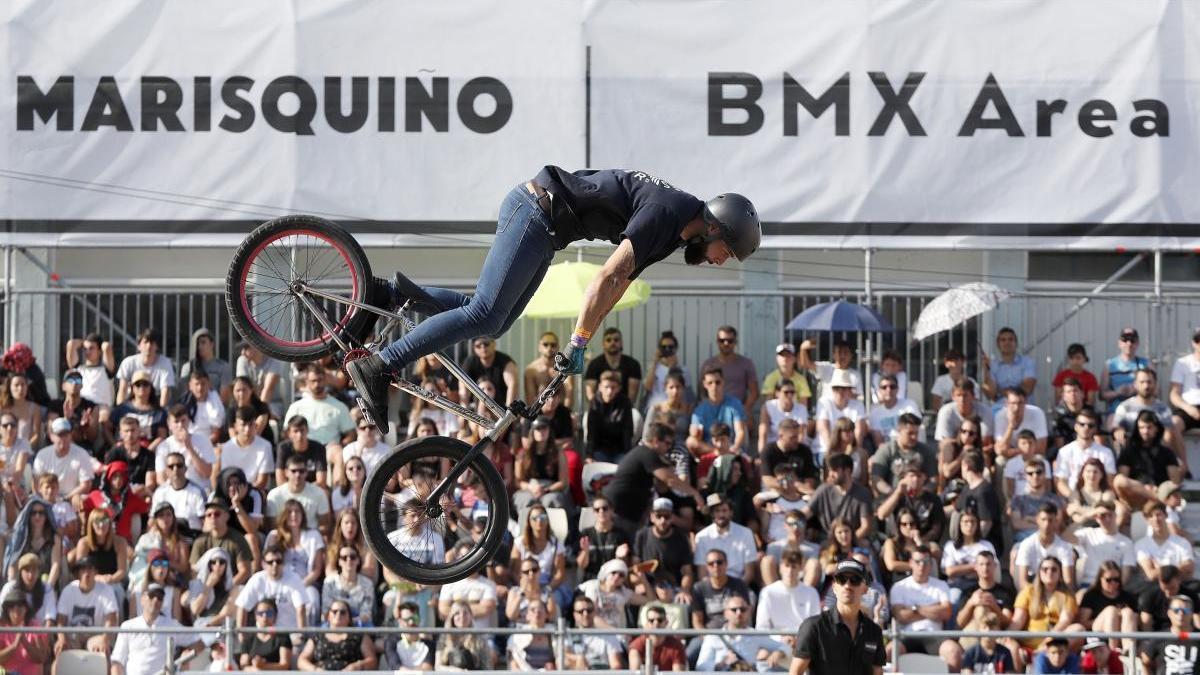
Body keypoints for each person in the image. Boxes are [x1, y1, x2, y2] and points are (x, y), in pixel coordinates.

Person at [350, 169, 761, 434]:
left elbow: (615, 288)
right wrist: (579, 341)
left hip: (547, 230)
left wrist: (582, 338)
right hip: (535, 211)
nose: (722, 260)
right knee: (483, 313)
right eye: (727, 250)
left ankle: (390, 294)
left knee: (493, 320)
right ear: (713, 228)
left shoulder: (675, 230)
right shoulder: (666, 214)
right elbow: (606, 277)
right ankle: (380, 365)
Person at [790, 558, 887, 675]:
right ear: (834, 587)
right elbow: (795, 672)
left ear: (865, 588)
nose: (847, 585)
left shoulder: (874, 631)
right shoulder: (814, 627)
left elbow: (877, 672)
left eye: (855, 580)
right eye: (842, 580)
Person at [603, 422, 704, 533]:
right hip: (618, 510)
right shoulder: (647, 453)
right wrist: (695, 493)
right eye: (667, 443)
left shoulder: (643, 453)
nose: (669, 448)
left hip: (624, 510)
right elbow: (670, 480)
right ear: (656, 441)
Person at [889, 545, 962, 669]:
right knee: (888, 652)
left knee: (954, 652)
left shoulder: (941, 585)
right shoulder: (899, 587)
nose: (921, 565)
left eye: (925, 562)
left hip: (934, 635)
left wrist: (914, 608)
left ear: (931, 564)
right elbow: (900, 616)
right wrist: (934, 609)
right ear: (911, 563)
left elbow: (946, 613)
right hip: (907, 635)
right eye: (917, 562)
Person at [110, 582, 199, 675]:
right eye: (152, 595)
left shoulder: (171, 625)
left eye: (160, 598)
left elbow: (199, 640)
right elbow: (117, 661)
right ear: (142, 599)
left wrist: (186, 657)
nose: (156, 600)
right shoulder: (127, 626)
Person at [696, 595, 788, 672]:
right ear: (725, 613)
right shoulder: (713, 637)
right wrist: (720, 664)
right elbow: (701, 666)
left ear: (748, 612)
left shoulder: (755, 634)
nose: (739, 613)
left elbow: (785, 647)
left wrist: (779, 652)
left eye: (743, 609)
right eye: (734, 610)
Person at [1010, 556, 1082, 652]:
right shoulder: (1028, 591)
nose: (1049, 572)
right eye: (1045, 569)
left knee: (1078, 629)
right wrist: (1006, 636)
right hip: (1029, 642)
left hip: (1054, 642)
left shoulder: (1067, 595)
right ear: (1039, 573)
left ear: (1060, 574)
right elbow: (1018, 620)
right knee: (1008, 642)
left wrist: (1047, 642)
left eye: (1054, 569)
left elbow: (1064, 622)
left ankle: (1041, 653)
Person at [54, 555, 118, 656]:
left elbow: (111, 619)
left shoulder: (106, 590)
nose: (87, 573)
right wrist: (61, 639)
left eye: (90, 569)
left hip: (97, 635)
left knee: (102, 650)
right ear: (78, 573)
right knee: (60, 652)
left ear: (96, 572)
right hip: (72, 636)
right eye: (83, 569)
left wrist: (104, 639)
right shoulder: (68, 590)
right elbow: (61, 620)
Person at [804, 452, 873, 542]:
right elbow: (805, 514)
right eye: (830, 471)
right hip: (826, 541)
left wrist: (846, 542)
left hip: (852, 540)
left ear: (847, 471)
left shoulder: (862, 493)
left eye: (834, 471)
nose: (830, 475)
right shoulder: (823, 490)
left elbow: (865, 527)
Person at [756, 547, 821, 642]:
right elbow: (761, 628)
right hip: (775, 644)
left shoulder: (811, 593)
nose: (790, 571)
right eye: (787, 566)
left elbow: (816, 627)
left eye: (794, 567)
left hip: (804, 643)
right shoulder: (768, 592)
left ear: (800, 569)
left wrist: (799, 639)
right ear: (780, 567)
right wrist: (780, 638)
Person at [1065, 501, 1136, 587]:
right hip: (1088, 583)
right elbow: (1065, 537)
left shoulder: (1126, 542)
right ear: (1096, 518)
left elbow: (1126, 573)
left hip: (1112, 584)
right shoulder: (1088, 534)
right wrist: (1086, 517)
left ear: (1115, 516)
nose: (1107, 519)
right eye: (1102, 516)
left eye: (1110, 515)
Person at [633, 497, 694, 593]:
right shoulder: (642, 535)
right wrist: (644, 585)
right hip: (649, 587)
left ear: (672, 517)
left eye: (667, 516)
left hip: (674, 587)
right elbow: (636, 568)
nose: (663, 520)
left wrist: (684, 590)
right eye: (659, 516)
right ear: (652, 517)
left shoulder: (681, 538)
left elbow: (687, 572)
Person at [1076, 560, 1138, 654]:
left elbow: (1136, 620)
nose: (1113, 583)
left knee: (1128, 612)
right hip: (1098, 633)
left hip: (1122, 632)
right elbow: (1083, 622)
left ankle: (1129, 651)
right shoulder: (1091, 596)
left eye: (1116, 579)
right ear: (1100, 578)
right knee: (1111, 611)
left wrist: (1120, 618)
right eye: (1108, 580)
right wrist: (1109, 619)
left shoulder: (1127, 597)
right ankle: (1113, 650)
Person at [297, 599, 378, 671]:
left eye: (343, 612)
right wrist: (315, 670)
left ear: (349, 617)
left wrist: (357, 666)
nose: (338, 614)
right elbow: (302, 660)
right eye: (335, 611)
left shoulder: (359, 636)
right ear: (328, 616)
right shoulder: (318, 636)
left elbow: (372, 661)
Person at [33, 417, 97, 509]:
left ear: (71, 435)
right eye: (59, 435)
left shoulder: (82, 454)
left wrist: (64, 499)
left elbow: (86, 485)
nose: (63, 438)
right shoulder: (42, 455)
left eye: (66, 435)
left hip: (71, 499)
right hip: (46, 499)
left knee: (80, 501)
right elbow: (36, 481)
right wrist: (46, 500)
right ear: (51, 436)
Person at [694, 494, 759, 583]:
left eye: (724, 510)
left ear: (731, 512)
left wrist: (738, 589)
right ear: (712, 514)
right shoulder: (701, 537)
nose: (721, 514)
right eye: (717, 511)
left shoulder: (746, 533)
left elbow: (749, 573)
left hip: (739, 584)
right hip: (711, 586)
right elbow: (702, 575)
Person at [869, 413, 938, 496]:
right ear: (899, 430)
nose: (914, 437)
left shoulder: (925, 451)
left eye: (916, 433)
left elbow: (933, 480)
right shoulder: (887, 450)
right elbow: (876, 478)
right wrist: (892, 493)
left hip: (919, 497)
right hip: (892, 496)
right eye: (910, 433)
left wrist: (923, 492)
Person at [190, 496, 253, 585]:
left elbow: (245, 571)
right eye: (209, 515)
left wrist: (227, 588)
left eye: (217, 514)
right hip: (206, 586)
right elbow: (194, 571)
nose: (213, 518)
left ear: (227, 516)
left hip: (232, 586)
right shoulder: (200, 541)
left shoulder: (238, 539)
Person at [514, 416, 570, 514]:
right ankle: (525, 528)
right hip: (529, 488)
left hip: (551, 488)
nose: (541, 431)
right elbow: (518, 481)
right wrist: (531, 487)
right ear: (532, 432)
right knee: (526, 501)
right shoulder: (523, 454)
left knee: (551, 500)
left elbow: (563, 482)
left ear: (549, 431)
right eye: (538, 428)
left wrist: (546, 490)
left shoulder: (558, 453)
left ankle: (553, 529)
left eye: (544, 428)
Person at [1053, 409, 1116, 497]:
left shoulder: (1106, 453)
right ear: (1076, 427)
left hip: (1098, 498)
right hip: (1072, 496)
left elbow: (1110, 482)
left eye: (1090, 425)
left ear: (1095, 429)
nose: (1086, 428)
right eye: (1082, 424)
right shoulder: (1064, 452)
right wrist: (1072, 496)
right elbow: (1060, 482)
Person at [155, 404, 216, 495]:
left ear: (188, 421)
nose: (180, 425)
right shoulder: (163, 447)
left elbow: (207, 473)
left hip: (199, 490)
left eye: (183, 421)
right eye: (176, 422)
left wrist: (190, 448)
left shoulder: (203, 441)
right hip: (173, 492)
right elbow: (160, 479)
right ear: (169, 425)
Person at [689, 365, 749, 455]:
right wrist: (695, 432)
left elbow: (740, 431)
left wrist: (734, 447)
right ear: (704, 384)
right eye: (710, 383)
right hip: (711, 451)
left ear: (723, 382)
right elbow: (695, 438)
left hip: (731, 449)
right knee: (690, 441)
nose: (714, 386)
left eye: (718, 382)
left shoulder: (735, 404)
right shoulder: (699, 410)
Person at [1015, 504, 1077, 589]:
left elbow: (1068, 581)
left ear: (1056, 521)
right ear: (1037, 520)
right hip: (1033, 586)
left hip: (1056, 586)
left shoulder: (1065, 547)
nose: (1046, 524)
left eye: (1050, 520)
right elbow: (1023, 581)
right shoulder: (1026, 545)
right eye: (1043, 519)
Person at [3, 499, 62, 588]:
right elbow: (13, 563)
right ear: (28, 516)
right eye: (33, 513)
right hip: (23, 586)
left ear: (46, 516)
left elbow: (55, 565)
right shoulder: (21, 538)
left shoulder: (54, 538)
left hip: (46, 585)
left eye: (41, 513)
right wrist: (12, 584)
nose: (37, 516)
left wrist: (48, 588)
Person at [215, 405, 275, 491]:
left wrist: (244, 493)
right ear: (236, 426)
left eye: (251, 424)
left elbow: (262, 482)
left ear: (255, 425)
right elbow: (226, 478)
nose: (247, 429)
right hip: (231, 492)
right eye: (243, 425)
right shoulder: (227, 448)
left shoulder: (265, 446)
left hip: (255, 492)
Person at [700, 325, 758, 412]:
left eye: (730, 341)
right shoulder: (708, 364)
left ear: (735, 342)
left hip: (738, 410)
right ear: (717, 342)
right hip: (713, 411)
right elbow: (702, 393)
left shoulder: (746, 364)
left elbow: (754, 392)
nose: (726, 344)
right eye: (722, 341)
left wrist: (744, 410)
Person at [183, 548, 236, 642]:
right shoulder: (198, 584)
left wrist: (208, 626)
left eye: (222, 562)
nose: (218, 565)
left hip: (220, 628)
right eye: (213, 562)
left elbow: (224, 615)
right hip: (200, 627)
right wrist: (208, 586)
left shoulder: (232, 588)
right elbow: (195, 610)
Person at [1135, 500, 1194, 582]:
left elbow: (1188, 569)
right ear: (1146, 519)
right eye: (1151, 516)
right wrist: (1177, 567)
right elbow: (1151, 575)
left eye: (1158, 515)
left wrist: (1159, 569)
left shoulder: (1182, 543)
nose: (1156, 519)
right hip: (1153, 588)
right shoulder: (1141, 545)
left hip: (1179, 585)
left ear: (1166, 515)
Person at [1118, 410, 1183, 486]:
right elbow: (1124, 480)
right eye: (1141, 428)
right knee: (1119, 480)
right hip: (1136, 492)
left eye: (1149, 427)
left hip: (1160, 493)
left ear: (1156, 428)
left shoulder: (1167, 453)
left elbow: (1174, 482)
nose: (1145, 431)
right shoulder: (1128, 452)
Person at [1140, 594, 1200, 675]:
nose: (1181, 613)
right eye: (1176, 610)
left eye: (1186, 610)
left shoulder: (1198, 636)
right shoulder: (1160, 637)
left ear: (1192, 613)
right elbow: (1145, 660)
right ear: (1169, 613)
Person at [585, 370, 637, 462]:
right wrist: (589, 455)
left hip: (619, 451)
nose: (609, 391)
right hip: (600, 450)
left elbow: (627, 432)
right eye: (606, 387)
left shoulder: (625, 403)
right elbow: (591, 433)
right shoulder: (594, 403)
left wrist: (627, 455)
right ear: (600, 387)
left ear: (618, 388)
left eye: (613, 387)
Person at [116, 328, 176, 407]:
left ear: (157, 346)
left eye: (152, 343)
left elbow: (165, 392)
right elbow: (122, 390)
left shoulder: (166, 363)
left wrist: (161, 414)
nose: (148, 346)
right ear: (139, 346)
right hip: (131, 401)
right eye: (145, 342)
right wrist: (120, 411)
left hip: (155, 402)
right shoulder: (128, 362)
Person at [814, 369, 867, 456]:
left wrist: (854, 451)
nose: (840, 392)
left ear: (850, 390)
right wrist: (833, 453)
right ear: (832, 390)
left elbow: (859, 431)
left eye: (844, 388)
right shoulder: (823, 403)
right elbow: (824, 430)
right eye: (836, 388)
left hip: (851, 450)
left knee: (862, 457)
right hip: (825, 449)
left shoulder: (858, 405)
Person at [564, 594, 626, 670]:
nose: (585, 614)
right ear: (574, 615)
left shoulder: (609, 636)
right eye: (580, 611)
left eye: (589, 610)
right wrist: (578, 658)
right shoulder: (568, 636)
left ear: (594, 612)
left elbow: (616, 666)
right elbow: (562, 658)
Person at [935, 379, 994, 457]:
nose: (962, 399)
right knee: (946, 448)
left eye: (965, 395)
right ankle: (946, 469)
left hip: (978, 449)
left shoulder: (985, 411)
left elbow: (986, 440)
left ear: (973, 396)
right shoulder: (945, 412)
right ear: (953, 396)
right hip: (954, 449)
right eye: (958, 395)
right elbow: (943, 441)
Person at [585, 326, 643, 403]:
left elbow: (632, 397)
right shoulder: (594, 365)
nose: (613, 342)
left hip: (624, 408)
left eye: (616, 340)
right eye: (608, 340)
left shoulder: (633, 364)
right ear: (603, 344)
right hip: (600, 409)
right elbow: (590, 395)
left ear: (621, 343)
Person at [0, 586, 49, 675]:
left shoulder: (35, 627)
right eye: (11, 606)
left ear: (26, 609)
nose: (16, 609)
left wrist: (24, 641)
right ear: (7, 610)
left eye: (20, 605)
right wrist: (14, 645)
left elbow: (41, 658)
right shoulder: (2, 628)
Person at [981, 327, 1037, 405]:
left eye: (1010, 339)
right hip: (1001, 408)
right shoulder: (992, 365)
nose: (1007, 342)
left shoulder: (1027, 362)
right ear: (998, 344)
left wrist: (1000, 391)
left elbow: (1027, 388)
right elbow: (990, 394)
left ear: (1016, 343)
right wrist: (986, 371)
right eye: (1003, 340)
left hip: (1024, 406)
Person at [435, 600, 497, 670]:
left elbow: (487, 668)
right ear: (452, 617)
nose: (462, 617)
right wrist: (454, 671)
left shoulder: (479, 638)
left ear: (471, 616)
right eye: (457, 613)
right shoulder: (444, 637)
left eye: (465, 613)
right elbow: (437, 667)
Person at [237, 597, 294, 670]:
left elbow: (285, 665)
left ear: (275, 615)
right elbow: (243, 665)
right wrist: (256, 669)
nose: (265, 617)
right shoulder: (248, 638)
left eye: (269, 613)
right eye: (260, 613)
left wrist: (262, 667)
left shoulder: (283, 637)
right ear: (255, 616)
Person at [629, 603, 688, 672]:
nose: (656, 623)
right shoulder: (636, 645)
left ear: (666, 622)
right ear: (647, 623)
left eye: (660, 620)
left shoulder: (677, 646)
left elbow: (678, 673)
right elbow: (635, 672)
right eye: (651, 620)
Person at [1, 553, 55, 626]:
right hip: (12, 633)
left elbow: (50, 618)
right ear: (20, 572)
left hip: (39, 634)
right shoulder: (9, 588)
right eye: (27, 570)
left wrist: (44, 636)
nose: (30, 575)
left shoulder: (47, 589)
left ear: (39, 572)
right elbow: (1, 614)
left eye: (34, 570)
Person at [994, 387, 1049, 459]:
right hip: (1011, 457)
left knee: (1039, 458)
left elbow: (1041, 448)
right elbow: (1000, 450)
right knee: (1000, 460)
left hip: (1031, 455)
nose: (1017, 407)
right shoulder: (1000, 416)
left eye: (1020, 403)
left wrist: (1013, 451)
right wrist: (1010, 426)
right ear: (1007, 403)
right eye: (1013, 403)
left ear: (1026, 402)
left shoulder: (1037, 413)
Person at [868, 374, 922, 447]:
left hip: (909, 446)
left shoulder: (909, 405)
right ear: (879, 391)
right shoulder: (874, 413)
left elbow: (915, 429)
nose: (889, 390)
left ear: (897, 389)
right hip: (887, 450)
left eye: (892, 387)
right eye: (884, 387)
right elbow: (879, 442)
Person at [65, 333, 116, 408]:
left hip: (101, 408)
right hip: (82, 408)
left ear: (99, 351)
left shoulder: (106, 369)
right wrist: (83, 342)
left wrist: (99, 344)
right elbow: (71, 344)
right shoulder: (78, 369)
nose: (87, 352)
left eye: (91, 348)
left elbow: (107, 346)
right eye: (85, 349)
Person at [760, 378, 810, 453]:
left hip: (795, 448)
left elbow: (801, 435)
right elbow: (763, 433)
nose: (790, 395)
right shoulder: (768, 407)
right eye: (786, 392)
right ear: (777, 393)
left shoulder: (801, 409)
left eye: (792, 392)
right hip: (773, 448)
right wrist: (762, 454)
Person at [525, 331, 574, 404]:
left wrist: (565, 413)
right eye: (545, 344)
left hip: (561, 411)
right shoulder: (531, 370)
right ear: (539, 347)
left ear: (558, 347)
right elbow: (530, 399)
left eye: (553, 345)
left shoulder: (566, 368)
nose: (549, 348)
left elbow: (569, 394)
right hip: (539, 412)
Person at [1170, 328, 1200, 435]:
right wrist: (1188, 408)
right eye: (1198, 340)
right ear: (1193, 343)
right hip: (1188, 407)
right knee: (1172, 425)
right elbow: (1174, 394)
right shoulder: (1182, 363)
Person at [1049, 376, 1090, 456]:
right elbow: (1059, 445)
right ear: (1063, 396)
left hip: (1089, 452)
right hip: (1066, 454)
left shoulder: (1091, 413)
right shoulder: (1058, 416)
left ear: (1082, 394)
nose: (1073, 394)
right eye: (1069, 391)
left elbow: (1099, 441)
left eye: (1075, 390)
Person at [0, 374, 42, 450]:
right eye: (16, 385)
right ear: (10, 387)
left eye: (23, 385)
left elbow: (36, 435)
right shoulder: (3, 409)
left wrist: (24, 449)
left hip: (26, 452)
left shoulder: (35, 409)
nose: (20, 388)